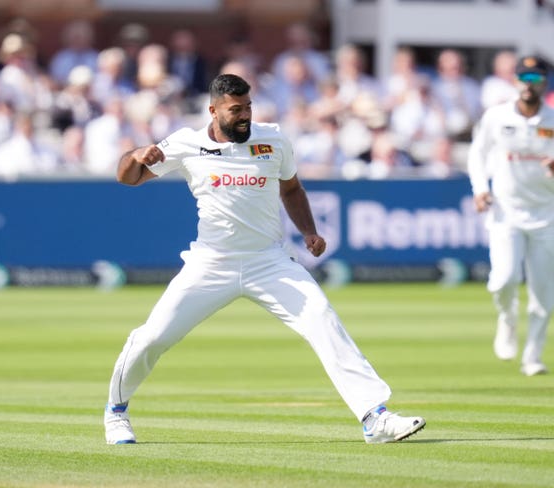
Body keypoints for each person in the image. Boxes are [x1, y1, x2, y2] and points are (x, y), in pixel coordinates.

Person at [104, 73, 426, 444]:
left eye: (248, 107)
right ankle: (115, 412)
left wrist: (308, 231)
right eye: (235, 110)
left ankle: (375, 416)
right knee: (153, 337)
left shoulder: (272, 138)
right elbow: (128, 178)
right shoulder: (185, 143)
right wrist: (135, 155)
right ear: (213, 110)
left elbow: (291, 188)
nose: (244, 117)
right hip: (212, 263)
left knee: (322, 319)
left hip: (268, 261)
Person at [467, 55, 554, 376]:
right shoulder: (496, 116)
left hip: (547, 215)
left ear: (544, 82)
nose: (529, 84)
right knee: (502, 280)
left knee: (544, 293)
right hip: (506, 212)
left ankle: (533, 355)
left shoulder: (552, 119)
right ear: (515, 81)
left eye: (535, 78)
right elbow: (477, 153)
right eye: (523, 78)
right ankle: (507, 318)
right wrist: (480, 188)